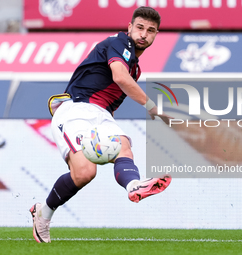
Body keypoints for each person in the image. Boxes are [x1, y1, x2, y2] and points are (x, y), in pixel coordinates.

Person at [30, 6, 172, 243]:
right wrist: (154, 109)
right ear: (129, 28)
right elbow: (119, 77)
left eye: (151, 30)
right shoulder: (119, 42)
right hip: (75, 110)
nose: (144, 34)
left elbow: (117, 90)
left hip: (101, 116)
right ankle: (43, 214)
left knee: (123, 144)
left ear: (156, 36)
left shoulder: (135, 67)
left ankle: (134, 186)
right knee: (85, 172)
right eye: (139, 28)